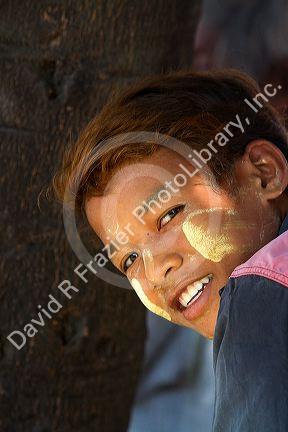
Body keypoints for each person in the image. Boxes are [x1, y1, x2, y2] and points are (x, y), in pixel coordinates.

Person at [51, 69, 288, 430]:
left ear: (264, 173)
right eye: (129, 260)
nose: (155, 270)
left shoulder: (258, 297)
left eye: (167, 215)